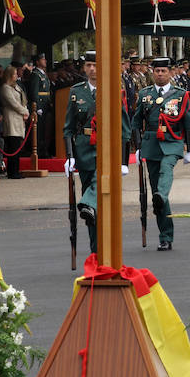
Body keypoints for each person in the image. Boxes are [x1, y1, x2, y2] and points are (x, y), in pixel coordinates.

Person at [63, 52, 130, 253]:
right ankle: (96, 250)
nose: (92, 69)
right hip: (84, 149)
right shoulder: (76, 92)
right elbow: (68, 127)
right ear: (84, 68)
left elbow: (124, 128)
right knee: (92, 210)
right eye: (89, 65)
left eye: (95, 65)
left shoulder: (113, 90)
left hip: (106, 147)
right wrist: (69, 156)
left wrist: (124, 160)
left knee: (96, 183)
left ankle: (86, 203)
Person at [132, 57, 190, 251]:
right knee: (157, 196)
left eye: (163, 71)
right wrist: (137, 147)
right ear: (153, 73)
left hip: (172, 142)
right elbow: (136, 123)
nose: (160, 74)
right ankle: (165, 236)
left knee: (166, 170)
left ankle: (162, 195)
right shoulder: (145, 94)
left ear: (169, 73)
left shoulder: (181, 94)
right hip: (151, 144)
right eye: (157, 71)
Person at [0, 66, 29, 180]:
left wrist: (26, 111)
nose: (16, 76)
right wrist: (25, 111)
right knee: (13, 146)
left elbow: (22, 100)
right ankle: (12, 172)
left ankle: (16, 170)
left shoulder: (16, 86)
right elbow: (13, 103)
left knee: (17, 147)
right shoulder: (5, 88)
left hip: (20, 118)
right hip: (11, 118)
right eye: (15, 74)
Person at [27, 53, 54, 157]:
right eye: (43, 59)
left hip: (46, 105)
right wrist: (37, 107)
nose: (45, 61)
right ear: (37, 62)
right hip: (40, 106)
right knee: (39, 130)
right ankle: (39, 152)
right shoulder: (35, 74)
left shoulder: (43, 74)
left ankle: (44, 150)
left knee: (45, 130)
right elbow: (34, 92)